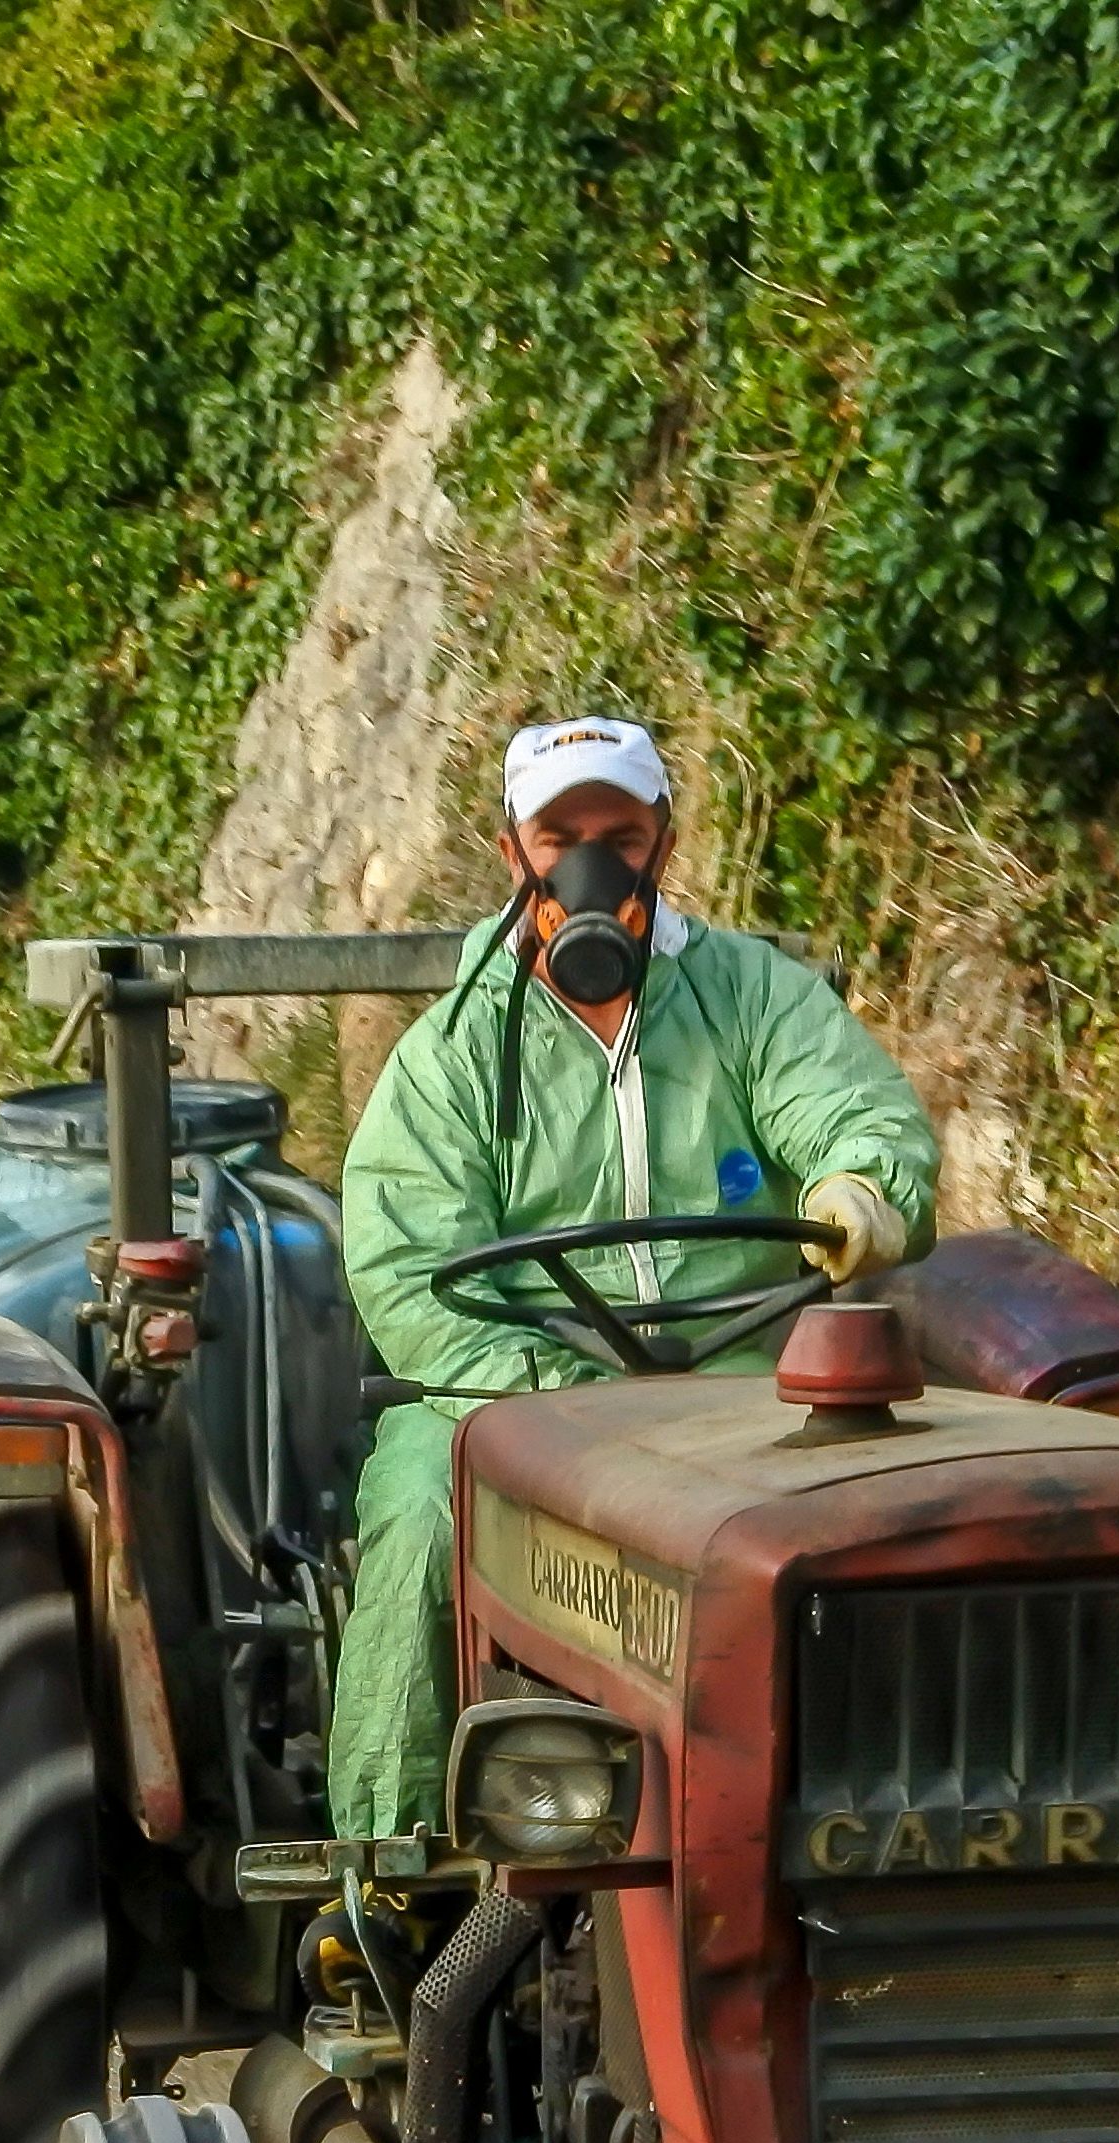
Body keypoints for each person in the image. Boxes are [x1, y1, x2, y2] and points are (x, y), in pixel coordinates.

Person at [329, 716, 941, 1838]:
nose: (590, 864)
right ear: (512, 851)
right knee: (419, 1509)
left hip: (747, 1383)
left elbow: (851, 1108)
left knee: (904, 1516)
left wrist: (857, 1189)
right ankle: (393, 1864)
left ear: (664, 839)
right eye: (560, 834)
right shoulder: (456, 1048)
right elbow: (407, 1263)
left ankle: (901, 1820)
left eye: (618, 831)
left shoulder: (752, 995)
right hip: (510, 1398)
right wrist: (537, 1389)